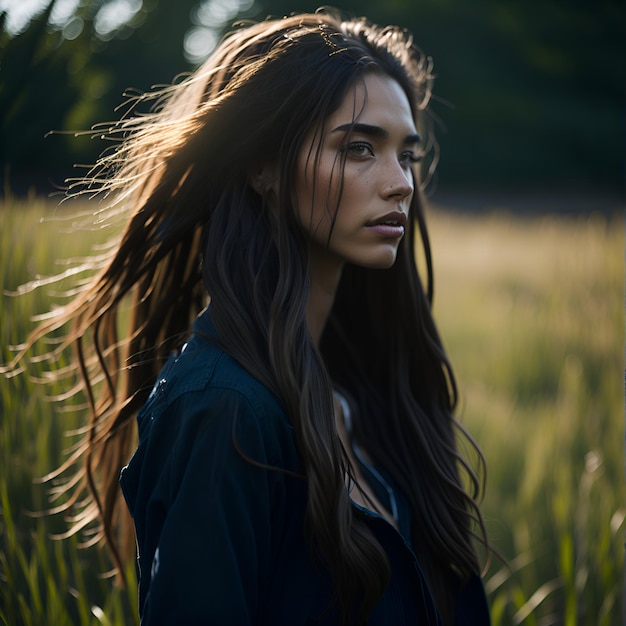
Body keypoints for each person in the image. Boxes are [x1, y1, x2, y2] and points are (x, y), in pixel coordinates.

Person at [14, 8, 491, 625]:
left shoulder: (366, 391)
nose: (399, 182)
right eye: (358, 148)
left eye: (406, 155)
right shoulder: (222, 409)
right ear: (261, 166)